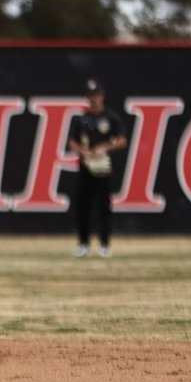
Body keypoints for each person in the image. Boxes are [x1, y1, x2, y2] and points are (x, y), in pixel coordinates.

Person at [68, 78, 128, 258]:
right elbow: (72, 142)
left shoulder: (110, 118)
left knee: (104, 208)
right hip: (85, 168)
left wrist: (104, 148)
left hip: (104, 169)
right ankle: (84, 244)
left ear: (102, 96)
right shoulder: (81, 119)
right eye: (90, 96)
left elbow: (122, 140)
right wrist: (83, 151)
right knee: (82, 207)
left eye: (96, 95)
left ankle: (104, 244)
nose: (94, 99)